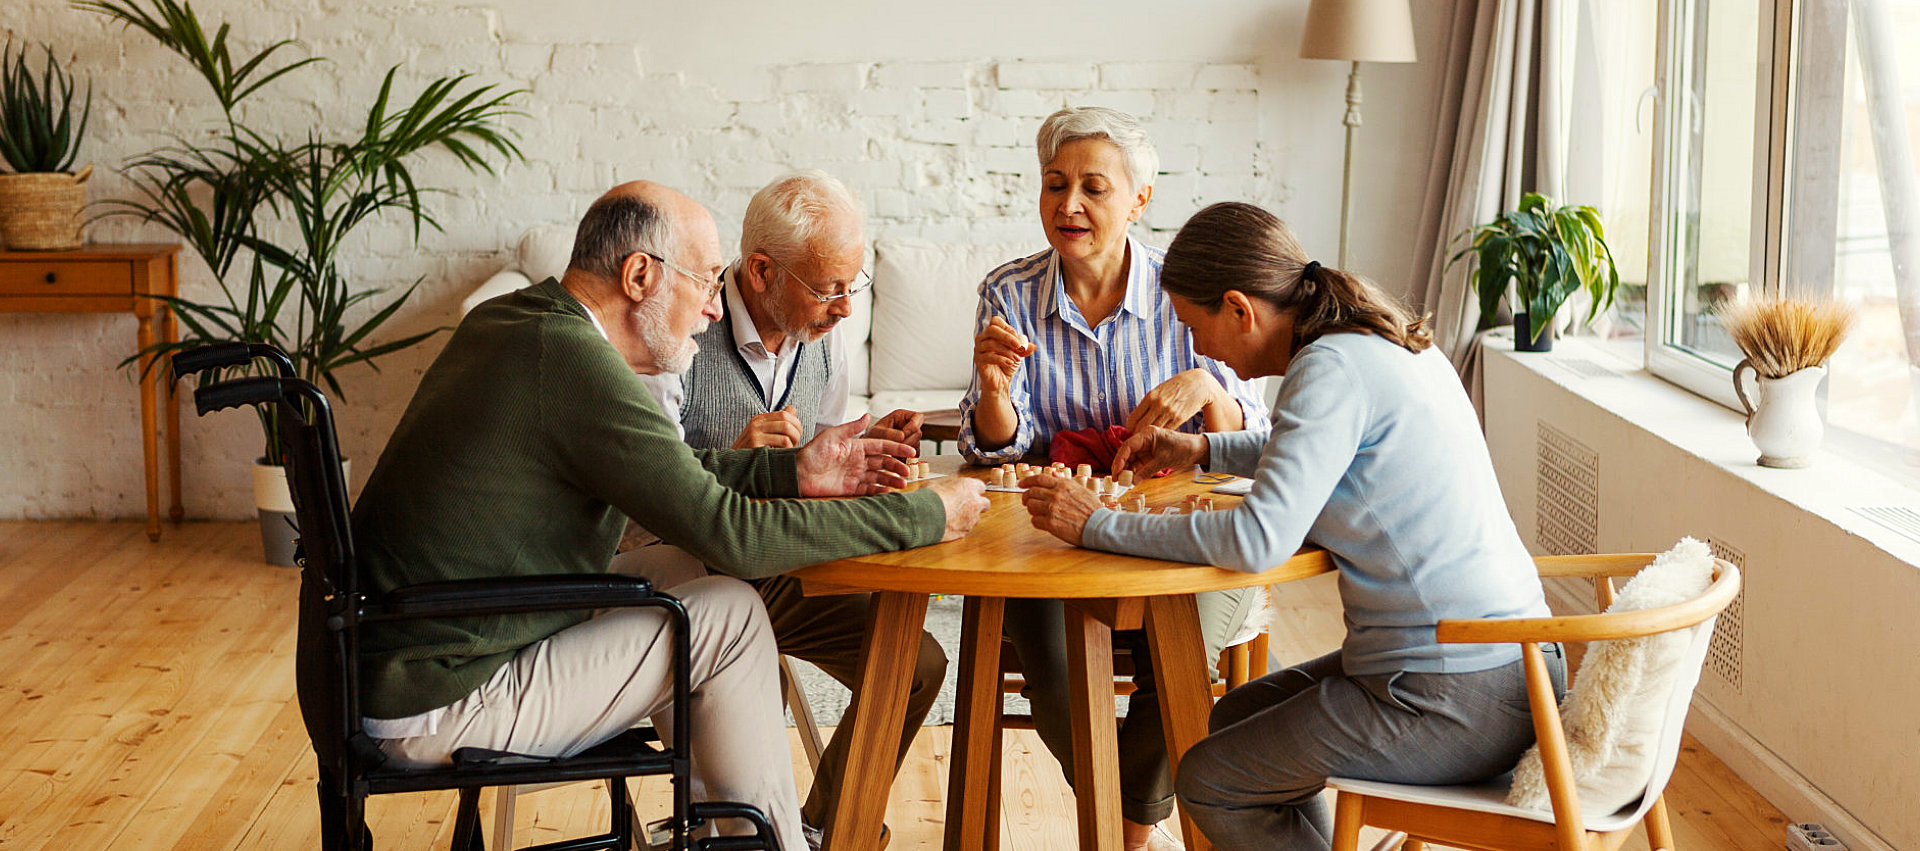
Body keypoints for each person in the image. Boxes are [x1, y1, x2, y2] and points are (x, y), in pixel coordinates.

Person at [349, 180, 991, 851]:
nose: (716, 308)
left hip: (423, 644)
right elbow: (732, 533)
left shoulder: (524, 322)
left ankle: (725, 834)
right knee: (732, 614)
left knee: (680, 570)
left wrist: (793, 470)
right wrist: (923, 514)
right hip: (438, 700)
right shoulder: (578, 366)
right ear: (638, 276)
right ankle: (767, 843)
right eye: (709, 281)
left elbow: (670, 477)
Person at [1018, 201, 1561, 851]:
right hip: (1513, 666)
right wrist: (1202, 450)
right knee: (1232, 722)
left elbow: (1257, 540)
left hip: (1449, 695)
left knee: (1212, 776)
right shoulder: (1373, 344)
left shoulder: (1326, 368)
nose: (1195, 348)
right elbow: (1324, 448)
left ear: (1240, 310)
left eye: (1195, 327)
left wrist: (1098, 523)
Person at [957, 106, 1272, 851]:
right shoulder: (1008, 292)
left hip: (1187, 535)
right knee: (1056, 678)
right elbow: (995, 449)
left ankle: (1126, 827)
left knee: (1181, 657)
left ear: (1140, 199)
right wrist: (997, 393)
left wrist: (1211, 391)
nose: (1069, 205)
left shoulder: (1189, 290)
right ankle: (1139, 824)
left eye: (1094, 187)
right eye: (1055, 184)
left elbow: (1261, 444)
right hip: (1055, 536)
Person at [634, 169, 941, 835]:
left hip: (784, 566)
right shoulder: (680, 329)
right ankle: (735, 829)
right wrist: (748, 460)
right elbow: (641, 486)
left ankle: (829, 827)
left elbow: (816, 467)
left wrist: (856, 454)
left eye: (851, 285)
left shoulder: (824, 343)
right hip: (696, 568)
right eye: (830, 288)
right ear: (764, 270)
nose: (845, 309)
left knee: (916, 666)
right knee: (749, 685)